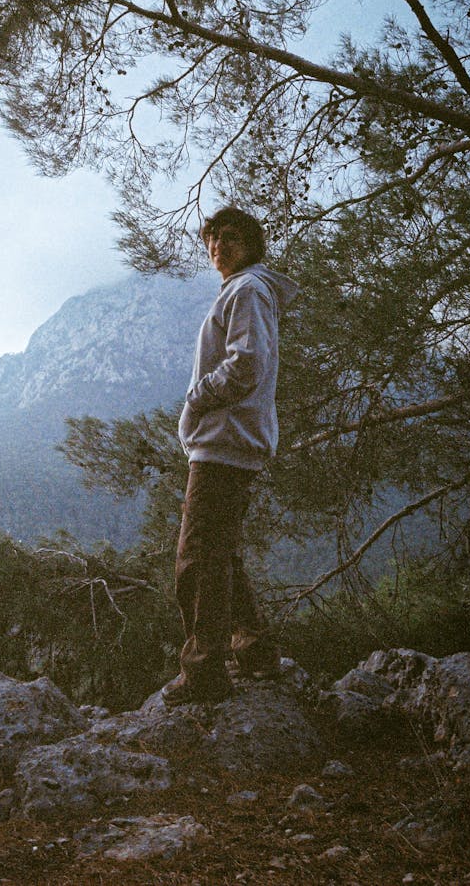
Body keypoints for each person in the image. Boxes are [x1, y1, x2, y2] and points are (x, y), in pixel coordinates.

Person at [161, 206, 300, 707]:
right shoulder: (245, 290)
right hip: (229, 442)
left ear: (252, 244)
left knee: (196, 560)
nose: (218, 246)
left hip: (225, 443)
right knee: (222, 554)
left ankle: (204, 673)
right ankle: (257, 653)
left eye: (231, 237)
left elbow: (246, 364)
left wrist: (197, 398)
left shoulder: (247, 290)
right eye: (212, 238)